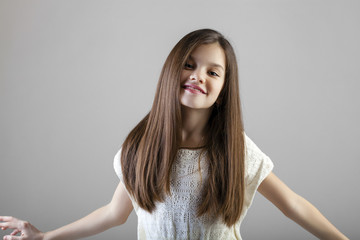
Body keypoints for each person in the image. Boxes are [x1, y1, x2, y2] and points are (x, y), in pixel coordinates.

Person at [0, 29, 348, 240]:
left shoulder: (235, 149)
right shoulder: (141, 148)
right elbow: (113, 213)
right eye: (189, 64)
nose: (199, 76)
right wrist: (46, 236)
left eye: (214, 72)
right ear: (172, 70)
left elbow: (294, 205)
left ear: (224, 89)